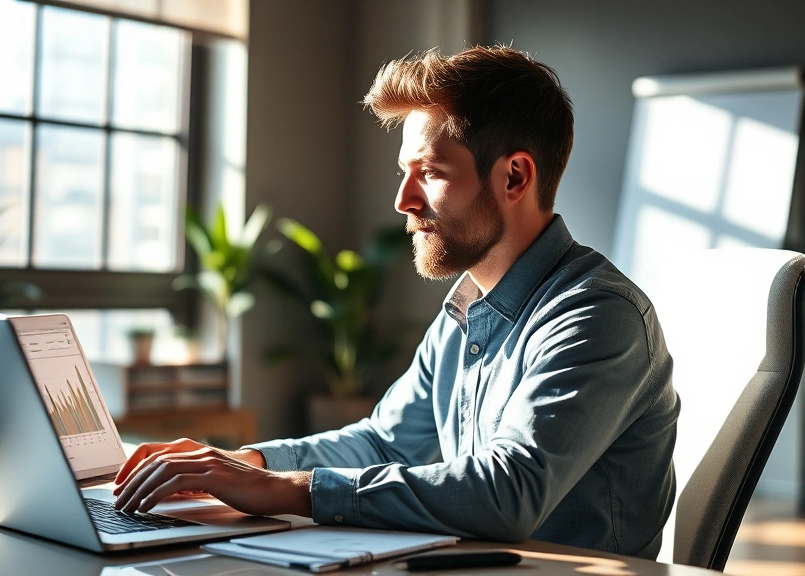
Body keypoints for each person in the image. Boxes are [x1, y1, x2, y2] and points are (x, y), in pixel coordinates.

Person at [112, 45, 680, 559]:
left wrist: (283, 490)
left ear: (514, 176)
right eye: (404, 172)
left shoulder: (598, 316)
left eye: (429, 172)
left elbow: (509, 492)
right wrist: (242, 464)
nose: (402, 200)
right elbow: (386, 440)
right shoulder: (466, 309)